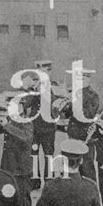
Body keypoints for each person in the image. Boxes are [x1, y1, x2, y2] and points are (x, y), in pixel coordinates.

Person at [65, 69, 100, 181]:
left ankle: (90, 193)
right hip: (73, 134)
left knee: (87, 168)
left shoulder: (93, 95)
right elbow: (67, 114)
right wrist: (66, 105)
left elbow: (88, 115)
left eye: (83, 78)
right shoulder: (75, 93)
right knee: (72, 167)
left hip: (85, 137)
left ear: (88, 79)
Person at [30, 60, 58, 190]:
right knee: (33, 154)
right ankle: (35, 181)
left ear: (49, 71)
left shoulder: (54, 86)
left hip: (48, 127)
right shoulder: (33, 86)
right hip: (35, 126)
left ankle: (49, 182)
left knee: (48, 154)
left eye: (45, 71)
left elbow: (55, 103)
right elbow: (27, 102)